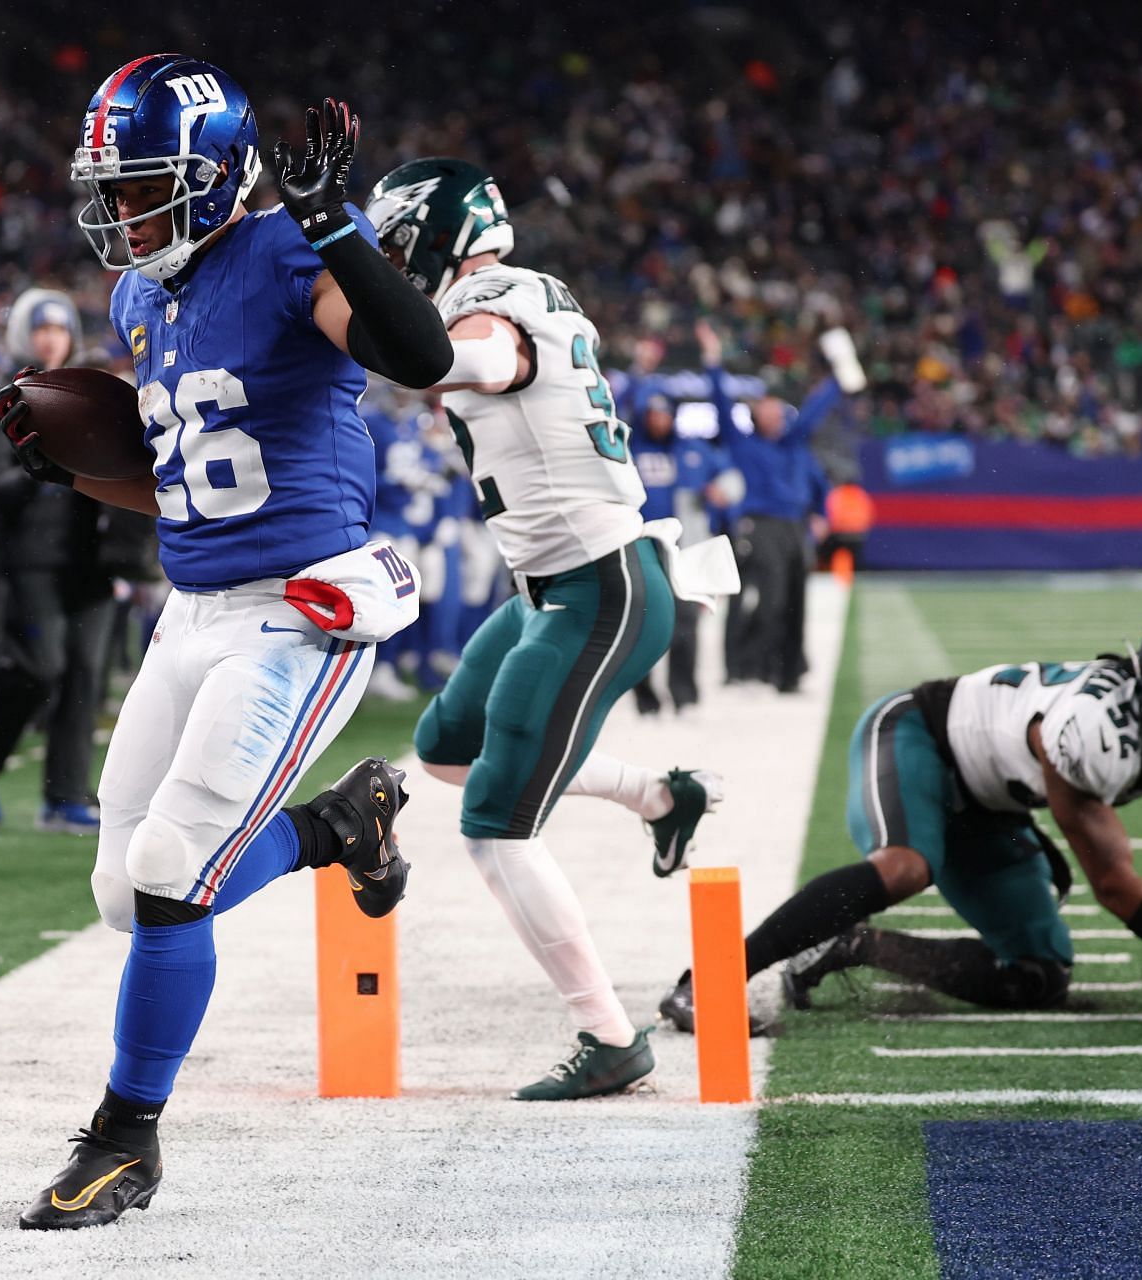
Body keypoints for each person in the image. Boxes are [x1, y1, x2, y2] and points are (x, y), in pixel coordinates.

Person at [0, 63, 451, 1230]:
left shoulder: (287, 255)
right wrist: (87, 472)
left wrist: (334, 224)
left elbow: (419, 353)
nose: (123, 215)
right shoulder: (141, 300)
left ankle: (124, 1138)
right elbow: (192, 489)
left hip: (300, 609)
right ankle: (339, 826)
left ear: (211, 176)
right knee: (120, 888)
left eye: (144, 188)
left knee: (170, 874)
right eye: (113, 189)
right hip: (192, 608)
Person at [365, 156, 724, 1100]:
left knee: (495, 825)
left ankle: (608, 1035)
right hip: (551, 587)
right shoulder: (520, 287)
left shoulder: (486, 304)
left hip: (598, 587)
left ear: (438, 236)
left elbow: (481, 359)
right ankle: (659, 794)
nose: (394, 264)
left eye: (399, 245)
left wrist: (403, 347)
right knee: (446, 748)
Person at [659, 599, 1142, 1031]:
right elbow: (1116, 885)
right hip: (920, 736)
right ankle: (710, 980)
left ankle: (854, 944)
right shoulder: (1091, 727)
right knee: (906, 866)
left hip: (992, 799)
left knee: (1039, 976)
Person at [0, 286, 119, 835]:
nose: (51, 338)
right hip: (30, 556)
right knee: (41, 667)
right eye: (41, 328)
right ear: (24, 334)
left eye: (59, 328)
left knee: (83, 674)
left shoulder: (85, 392)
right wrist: (41, 469)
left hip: (91, 557)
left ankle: (65, 796)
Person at [698, 320, 853, 693]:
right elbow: (720, 404)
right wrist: (713, 362)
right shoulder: (743, 444)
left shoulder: (794, 443)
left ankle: (788, 673)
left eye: (779, 407)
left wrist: (839, 377)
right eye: (768, 406)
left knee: (796, 599)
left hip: (794, 527)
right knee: (769, 598)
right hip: (760, 523)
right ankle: (752, 668)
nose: (777, 412)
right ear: (755, 412)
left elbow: (815, 411)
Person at [627, 389, 724, 715]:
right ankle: (646, 699)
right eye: (653, 414)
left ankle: (684, 694)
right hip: (639, 546)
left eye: (664, 414)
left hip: (680, 549)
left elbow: (727, 478)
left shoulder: (691, 450)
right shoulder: (629, 447)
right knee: (640, 625)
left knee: (685, 621)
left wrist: (723, 491)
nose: (659, 420)